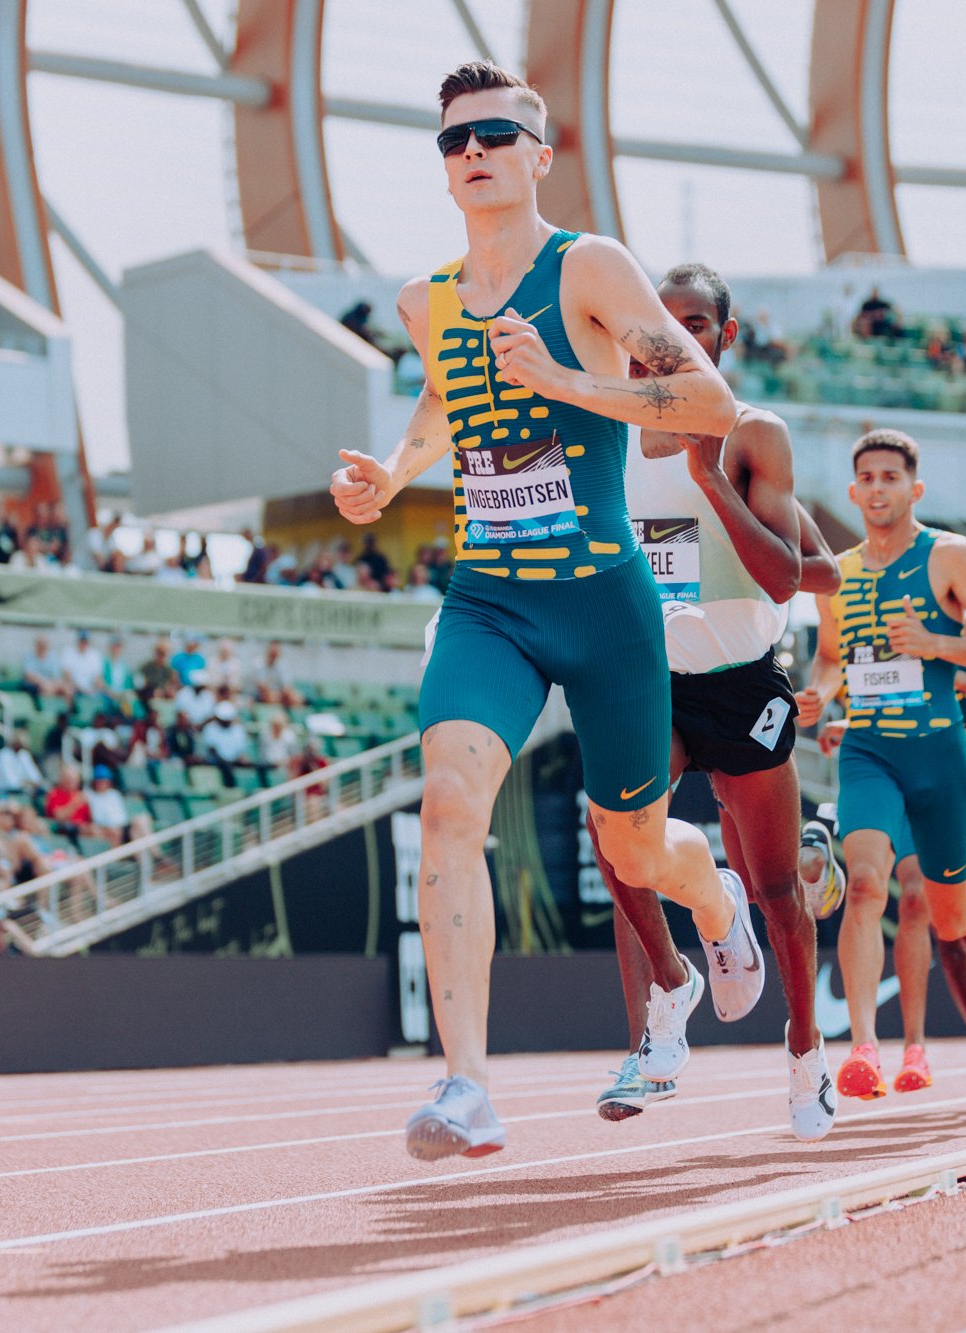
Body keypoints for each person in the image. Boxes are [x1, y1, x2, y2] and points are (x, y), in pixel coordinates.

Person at [327, 61, 747, 1162]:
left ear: (538, 155)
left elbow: (709, 400)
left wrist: (572, 385)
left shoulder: (587, 268)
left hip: (604, 601)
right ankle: (465, 1084)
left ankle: (717, 900)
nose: (470, 152)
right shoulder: (427, 298)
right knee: (452, 803)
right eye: (452, 140)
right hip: (489, 602)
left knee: (636, 846)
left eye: (493, 135)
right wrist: (391, 468)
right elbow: (439, 395)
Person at [592, 262, 839, 1138]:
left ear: (723, 338)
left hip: (743, 683)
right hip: (651, 679)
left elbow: (794, 574)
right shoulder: (608, 435)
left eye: (698, 323)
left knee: (778, 891)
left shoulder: (751, 434)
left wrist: (708, 479)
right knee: (625, 842)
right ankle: (658, 1026)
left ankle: (807, 1053)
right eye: (666, 321)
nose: (679, 337)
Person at [797, 430, 966, 1102]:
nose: (877, 487)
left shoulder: (949, 556)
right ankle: (864, 1047)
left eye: (890, 476)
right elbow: (833, 656)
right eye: (866, 476)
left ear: (913, 488)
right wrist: (820, 691)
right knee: (865, 886)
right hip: (871, 751)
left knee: (951, 919)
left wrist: (937, 643)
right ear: (852, 489)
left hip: (939, 755)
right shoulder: (838, 574)